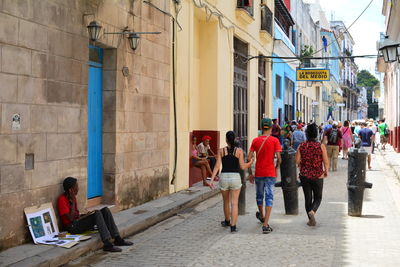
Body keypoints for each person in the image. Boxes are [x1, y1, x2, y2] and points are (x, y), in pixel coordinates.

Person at [57, 177, 133, 252]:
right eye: (76, 187)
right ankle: (107, 244)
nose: (78, 188)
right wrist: (73, 201)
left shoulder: (72, 197)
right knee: (97, 214)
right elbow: (70, 219)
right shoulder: (62, 200)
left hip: (77, 221)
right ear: (71, 190)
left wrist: (85, 216)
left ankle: (117, 238)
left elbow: (76, 215)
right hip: (72, 227)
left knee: (105, 210)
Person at [208, 131, 253, 232]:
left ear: (226, 139)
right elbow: (242, 166)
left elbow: (217, 166)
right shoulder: (239, 151)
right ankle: (233, 226)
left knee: (226, 202)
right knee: (234, 203)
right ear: (235, 139)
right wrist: (250, 163)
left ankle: (227, 220)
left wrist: (211, 180)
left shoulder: (221, 151)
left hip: (223, 177)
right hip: (235, 177)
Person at [248, 118, 282, 234]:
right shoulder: (275, 141)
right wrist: (276, 167)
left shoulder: (255, 140)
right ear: (271, 128)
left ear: (262, 128)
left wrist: (250, 173)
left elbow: (249, 158)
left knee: (259, 195)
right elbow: (279, 158)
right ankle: (266, 224)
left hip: (259, 172)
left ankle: (262, 216)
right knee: (269, 196)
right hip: (270, 172)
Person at [296, 124, 329, 226]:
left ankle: (310, 219)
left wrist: (302, 164)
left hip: (304, 175)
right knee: (318, 197)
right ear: (316, 134)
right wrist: (326, 171)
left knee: (308, 198)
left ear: (306, 134)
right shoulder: (321, 146)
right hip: (318, 175)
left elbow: (297, 161)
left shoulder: (301, 146)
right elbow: (326, 161)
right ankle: (313, 211)